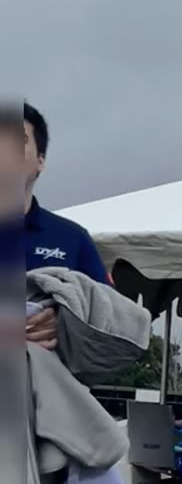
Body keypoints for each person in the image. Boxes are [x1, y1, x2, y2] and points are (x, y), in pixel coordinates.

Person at [17, 103, 108, 328]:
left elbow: (110, 317)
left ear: (40, 160)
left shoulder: (73, 239)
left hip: (48, 362)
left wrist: (66, 323)